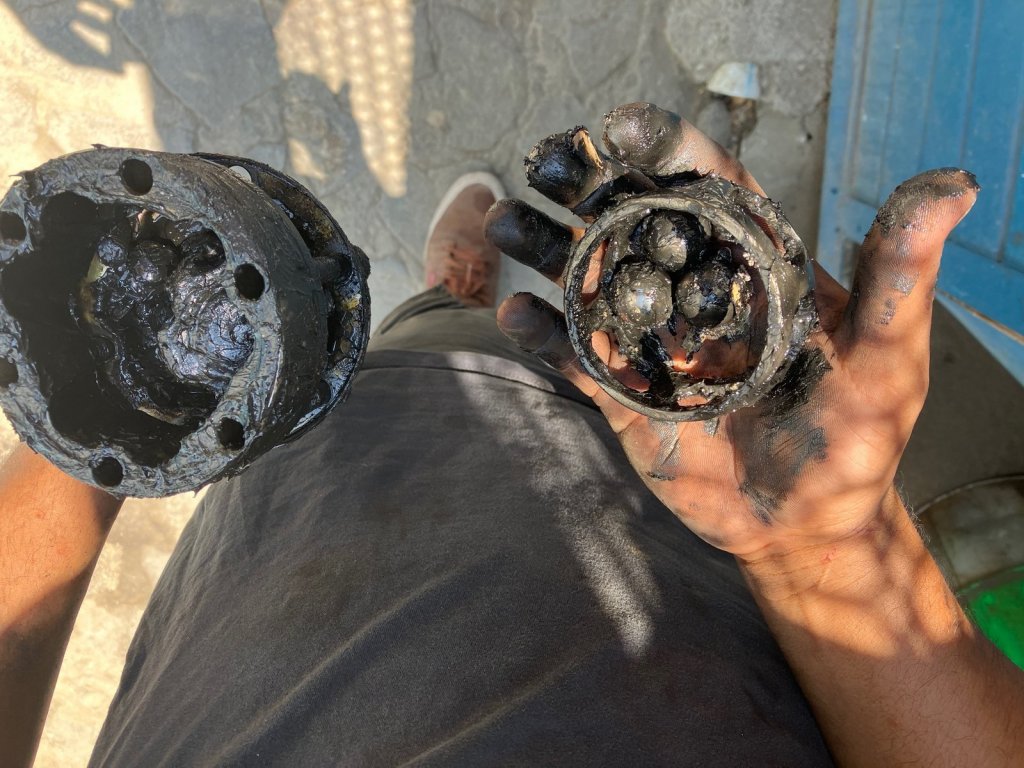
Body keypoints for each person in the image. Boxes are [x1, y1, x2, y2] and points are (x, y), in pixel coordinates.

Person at [2, 103, 1022, 767]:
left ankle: (453, 296)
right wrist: (825, 550)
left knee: (439, 339)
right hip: (693, 582)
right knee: (544, 352)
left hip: (310, 521)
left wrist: (105, 400)